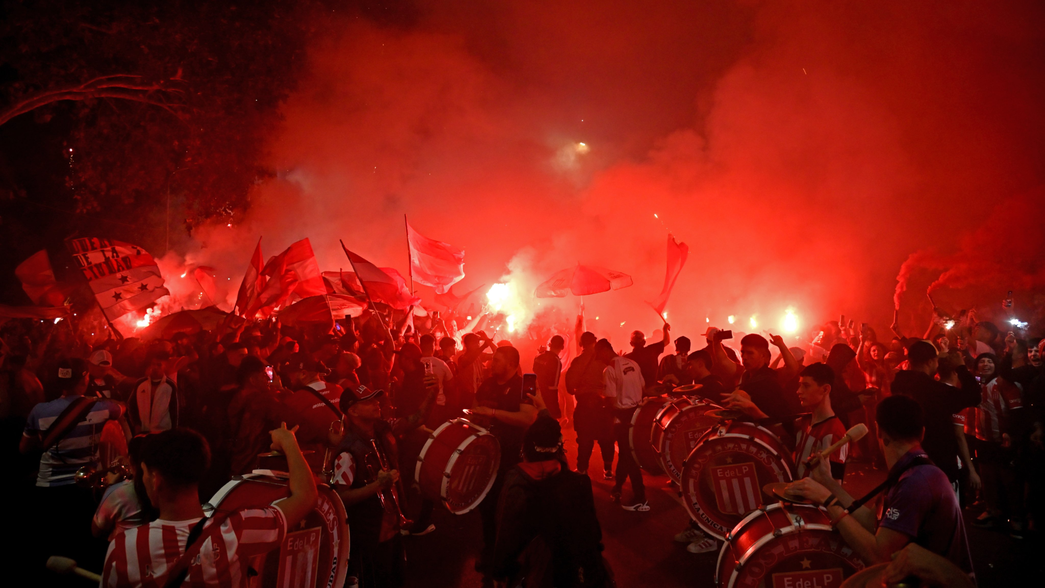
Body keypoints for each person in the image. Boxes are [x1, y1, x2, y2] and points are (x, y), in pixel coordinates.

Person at [101, 426, 318, 587]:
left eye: (145, 472)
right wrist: (289, 441)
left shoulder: (125, 548)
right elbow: (306, 497)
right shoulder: (239, 529)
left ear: (156, 479)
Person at [786, 395, 974, 576]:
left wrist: (827, 500)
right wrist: (828, 482)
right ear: (922, 433)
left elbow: (879, 555)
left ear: (879, 432)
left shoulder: (916, 481)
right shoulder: (912, 470)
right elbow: (871, 521)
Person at [21, 358, 125, 571]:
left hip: (49, 488)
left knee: (54, 541)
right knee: (83, 541)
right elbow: (121, 409)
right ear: (84, 379)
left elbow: (24, 448)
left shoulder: (39, 411)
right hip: (85, 487)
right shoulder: (101, 408)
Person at [492, 414, 611, 587]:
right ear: (559, 447)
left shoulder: (517, 482)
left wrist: (499, 571)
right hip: (575, 570)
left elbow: (507, 531)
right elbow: (593, 531)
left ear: (526, 447)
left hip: (536, 570)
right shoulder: (578, 482)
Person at [332, 384, 411, 587]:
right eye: (368, 401)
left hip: (390, 530)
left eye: (375, 399)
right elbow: (342, 497)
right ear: (353, 411)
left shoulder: (376, 436)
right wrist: (377, 485)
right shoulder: (347, 451)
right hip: (372, 537)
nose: (376, 404)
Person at [470, 346, 539, 575]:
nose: (492, 364)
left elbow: (528, 417)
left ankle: (513, 557)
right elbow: (476, 405)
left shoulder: (525, 384)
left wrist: (492, 413)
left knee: (511, 509)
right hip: (485, 455)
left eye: (497, 360)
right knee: (486, 506)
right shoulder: (488, 383)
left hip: (512, 457)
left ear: (511, 364)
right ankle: (491, 551)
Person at [891, 340, 980, 488]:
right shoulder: (934, 390)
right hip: (936, 462)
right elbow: (974, 396)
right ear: (931, 361)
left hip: (906, 457)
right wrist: (961, 367)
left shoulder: (898, 382)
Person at [595, 338, 648, 511]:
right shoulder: (632, 363)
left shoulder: (609, 369)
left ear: (604, 350)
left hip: (621, 418)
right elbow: (642, 386)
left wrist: (600, 396)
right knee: (626, 454)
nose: (599, 359)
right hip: (637, 416)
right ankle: (617, 487)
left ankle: (641, 498)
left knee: (629, 457)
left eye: (598, 355)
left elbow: (610, 399)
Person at [565, 332, 615, 478]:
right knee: (606, 437)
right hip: (604, 403)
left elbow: (570, 386)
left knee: (584, 438)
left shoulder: (578, 361)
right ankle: (608, 469)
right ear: (595, 342)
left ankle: (582, 469)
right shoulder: (606, 360)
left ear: (581, 344)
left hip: (585, 404)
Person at [722, 334, 800, 420]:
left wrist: (781, 345)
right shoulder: (744, 374)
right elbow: (722, 360)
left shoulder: (772, 377)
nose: (744, 357)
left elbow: (792, 369)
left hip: (768, 429)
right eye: (743, 352)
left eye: (750, 353)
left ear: (763, 356)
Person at [793, 363, 848, 481]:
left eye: (806, 386)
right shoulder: (803, 422)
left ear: (825, 389)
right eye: (799, 385)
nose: (799, 391)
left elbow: (835, 485)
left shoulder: (834, 432)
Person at [281, 352, 343, 452]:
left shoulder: (293, 401)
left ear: (303, 374)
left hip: (316, 463)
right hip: (346, 458)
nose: (289, 378)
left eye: (291, 373)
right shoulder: (338, 390)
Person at [127, 352, 179, 434]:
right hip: (143, 431)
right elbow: (132, 404)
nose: (155, 367)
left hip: (163, 432)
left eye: (159, 365)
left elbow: (174, 410)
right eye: (153, 364)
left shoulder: (170, 386)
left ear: (165, 366)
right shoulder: (140, 383)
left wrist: (173, 432)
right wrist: (136, 424)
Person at [419, 334, 455, 426]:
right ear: (433, 346)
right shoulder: (442, 364)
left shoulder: (416, 363)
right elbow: (450, 386)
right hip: (438, 405)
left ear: (420, 345)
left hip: (419, 405)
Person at [625, 325, 670, 391]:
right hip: (653, 390)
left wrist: (619, 358)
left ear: (631, 343)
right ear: (644, 342)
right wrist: (665, 329)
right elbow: (666, 341)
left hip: (635, 392)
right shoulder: (652, 350)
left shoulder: (626, 358)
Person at [533, 335, 565, 419]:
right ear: (562, 347)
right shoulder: (555, 361)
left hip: (536, 395)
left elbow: (534, 370)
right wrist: (555, 409)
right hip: (547, 399)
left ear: (550, 344)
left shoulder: (539, 356)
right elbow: (553, 386)